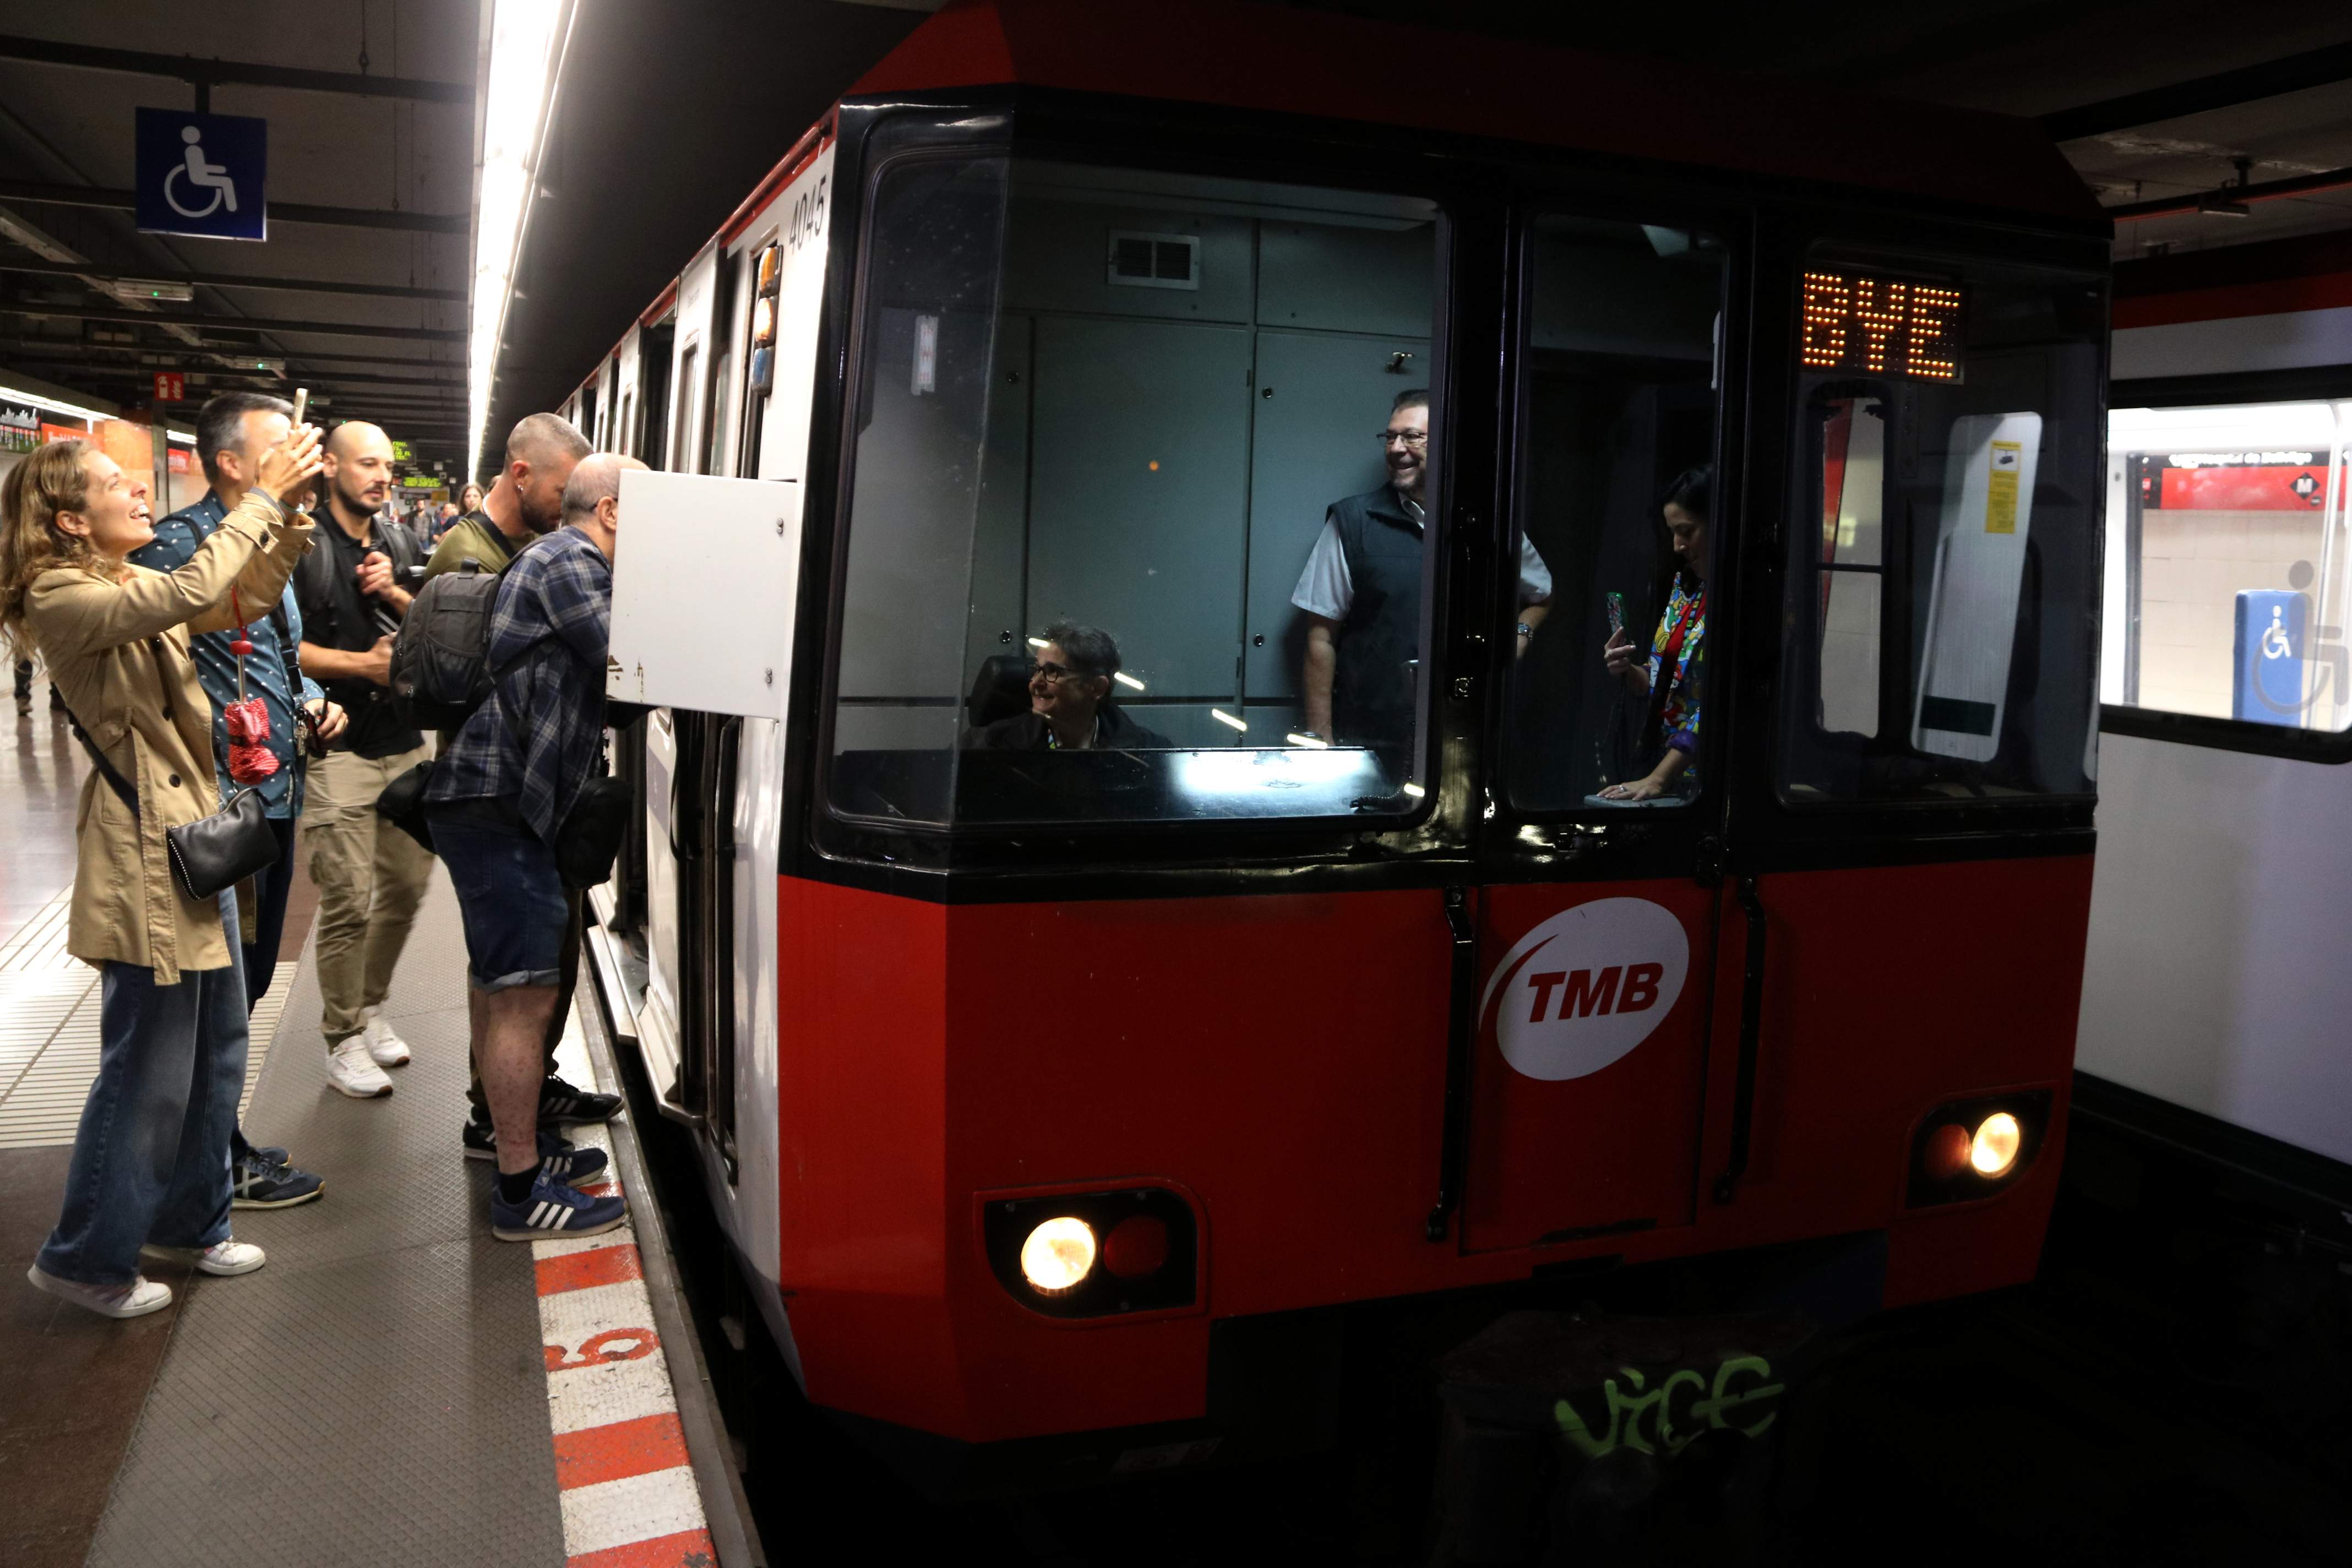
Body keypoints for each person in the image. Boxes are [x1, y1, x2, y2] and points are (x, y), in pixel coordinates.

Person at [3, 426, 323, 1317]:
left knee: (219, 1043)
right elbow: (193, 586)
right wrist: (259, 497)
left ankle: (191, 1221)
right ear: (70, 520)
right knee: (147, 1062)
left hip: (194, 843)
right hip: (144, 857)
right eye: (117, 484)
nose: (141, 492)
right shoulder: (60, 593)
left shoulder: (122, 579)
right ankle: (85, 1256)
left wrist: (285, 514)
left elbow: (238, 596)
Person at [130, 391, 351, 1208]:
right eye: (278, 442)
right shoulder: (179, 551)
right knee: (219, 994)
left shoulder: (275, 542)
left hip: (276, 791)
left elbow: (277, 660)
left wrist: (316, 697)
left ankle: (214, 1151)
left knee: (249, 983)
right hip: (221, 801)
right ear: (230, 462)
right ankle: (209, 1165)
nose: (298, 452)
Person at [424, 455, 647, 1240]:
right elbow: (632, 661)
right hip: (500, 805)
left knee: (501, 986)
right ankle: (521, 1195)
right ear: (613, 511)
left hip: (494, 803)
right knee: (525, 996)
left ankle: (501, 1139)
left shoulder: (557, 558)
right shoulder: (573, 560)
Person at [291, 422, 437, 1097]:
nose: (381, 476)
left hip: (403, 743)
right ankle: (341, 1036)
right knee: (348, 897)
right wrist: (362, 665)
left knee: (406, 889)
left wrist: (395, 593)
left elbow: (435, 632)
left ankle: (372, 1006)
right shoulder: (301, 546)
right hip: (337, 749)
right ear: (330, 468)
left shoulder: (401, 541)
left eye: (387, 465)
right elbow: (280, 651)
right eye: (366, 464)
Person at [1292, 388, 1551, 764]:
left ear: (1449, 445)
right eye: (1391, 437)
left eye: (1412, 436)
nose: (1397, 448)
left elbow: (1543, 596)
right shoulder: (1352, 522)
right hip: (1372, 739)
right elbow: (1320, 637)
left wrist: (1521, 634)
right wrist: (1322, 747)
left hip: (1466, 738)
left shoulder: (1492, 524)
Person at [1599, 467, 1711, 802]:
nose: (1677, 545)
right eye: (1672, 533)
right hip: (1665, 766)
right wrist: (1628, 669)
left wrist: (1661, 778)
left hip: (1710, 775)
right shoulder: (1687, 588)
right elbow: (1661, 679)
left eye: (1686, 531)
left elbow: (1726, 703)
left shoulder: (1753, 597)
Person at [428, 413, 589, 579]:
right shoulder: (464, 563)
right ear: (521, 475)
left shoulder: (535, 531)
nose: (567, 508)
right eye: (562, 493)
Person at [962, 623, 1172, 750]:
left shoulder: (1148, 753)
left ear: (1097, 688)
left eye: (1053, 671)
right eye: (1037, 670)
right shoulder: (984, 746)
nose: (1035, 683)